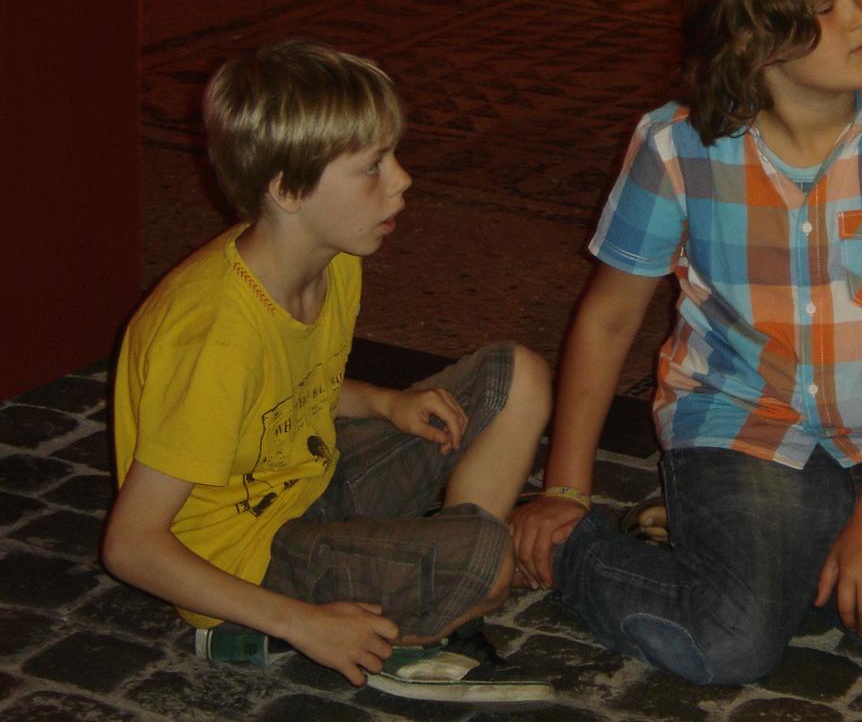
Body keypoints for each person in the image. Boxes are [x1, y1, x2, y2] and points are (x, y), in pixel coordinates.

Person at [510, 0, 862, 684]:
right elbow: (608, 318)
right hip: (738, 422)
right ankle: (588, 553)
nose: (860, 18)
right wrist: (565, 490)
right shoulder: (676, 144)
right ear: (754, 37)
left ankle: (757, 554)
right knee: (730, 643)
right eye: (826, 6)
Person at [104, 42, 554, 707]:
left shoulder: (334, 259)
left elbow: (288, 392)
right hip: (242, 558)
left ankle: (425, 588)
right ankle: (281, 627)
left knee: (520, 376)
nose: (402, 180)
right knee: (489, 559)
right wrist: (299, 622)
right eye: (372, 166)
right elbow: (131, 545)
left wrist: (383, 403)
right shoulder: (214, 338)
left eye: (392, 156)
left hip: (310, 480)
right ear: (288, 189)